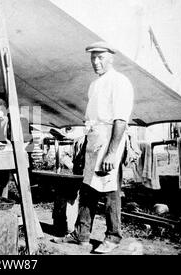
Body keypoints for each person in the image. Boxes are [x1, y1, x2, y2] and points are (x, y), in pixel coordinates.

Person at [52, 41, 134, 254]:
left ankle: (113, 237)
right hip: (94, 139)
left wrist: (111, 152)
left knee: (110, 190)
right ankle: (82, 235)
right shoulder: (95, 84)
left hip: (110, 140)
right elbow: (91, 120)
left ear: (111, 58)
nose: (96, 62)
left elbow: (120, 120)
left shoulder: (120, 82)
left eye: (101, 58)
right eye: (93, 58)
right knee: (88, 189)